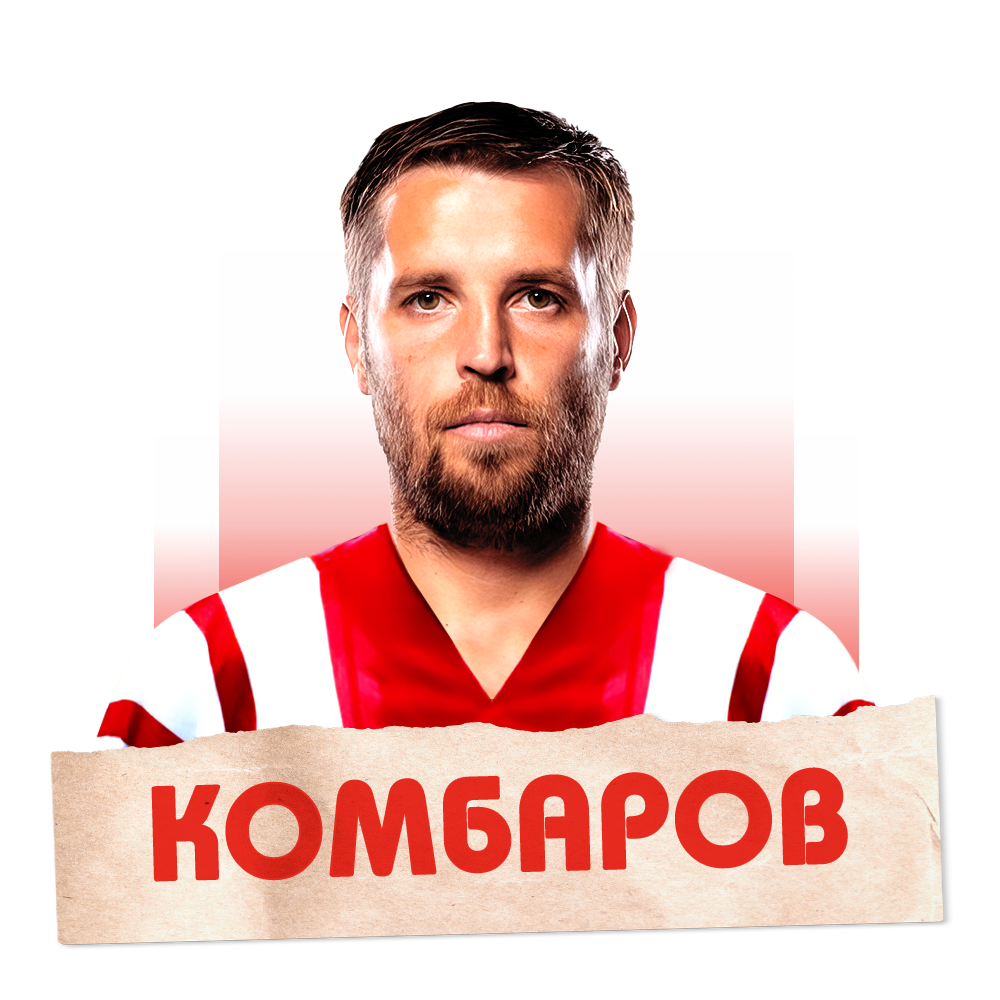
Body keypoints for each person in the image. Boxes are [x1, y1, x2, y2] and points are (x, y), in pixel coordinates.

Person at [96, 102, 873, 748]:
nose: (486, 354)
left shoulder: (779, 686)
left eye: (537, 297)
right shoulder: (200, 690)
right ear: (357, 346)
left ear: (618, 340)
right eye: (428, 299)